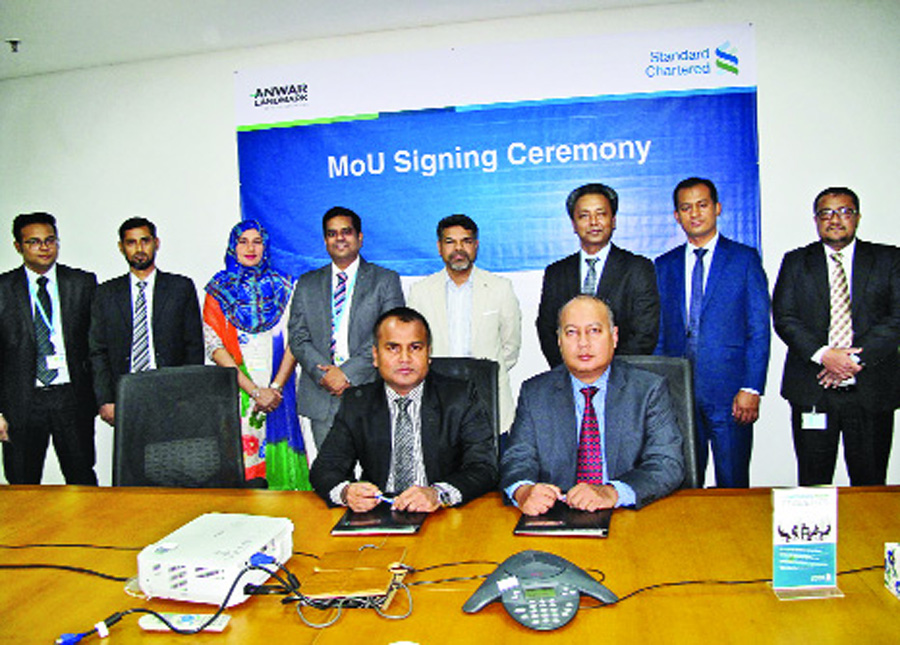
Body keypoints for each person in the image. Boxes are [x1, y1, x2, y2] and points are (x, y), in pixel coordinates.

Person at [502, 295, 683, 515]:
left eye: (594, 331)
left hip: (627, 514)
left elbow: (667, 463)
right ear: (559, 340)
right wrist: (523, 491)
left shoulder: (648, 389)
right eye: (571, 332)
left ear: (614, 336)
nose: (583, 343)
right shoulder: (535, 393)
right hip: (558, 514)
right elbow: (517, 459)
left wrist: (611, 492)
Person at [310, 306, 498, 513]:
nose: (405, 358)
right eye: (393, 348)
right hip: (379, 512)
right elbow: (325, 468)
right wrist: (346, 492)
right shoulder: (357, 403)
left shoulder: (460, 397)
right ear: (375, 355)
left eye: (415, 347)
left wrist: (438, 494)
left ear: (428, 353)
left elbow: (484, 467)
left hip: (443, 513)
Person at [772, 187, 900, 486]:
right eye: (826, 213)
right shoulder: (796, 262)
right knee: (813, 485)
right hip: (813, 390)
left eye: (844, 211)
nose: (835, 219)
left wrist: (851, 361)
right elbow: (785, 317)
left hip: (871, 390)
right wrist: (825, 356)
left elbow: (897, 318)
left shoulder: (889, 259)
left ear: (857, 217)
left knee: (870, 485)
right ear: (816, 220)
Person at [654, 177, 770, 488]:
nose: (695, 214)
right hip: (678, 394)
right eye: (686, 208)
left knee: (733, 483)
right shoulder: (664, 266)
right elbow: (660, 333)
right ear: (676, 215)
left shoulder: (744, 260)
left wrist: (752, 387)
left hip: (730, 394)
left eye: (702, 205)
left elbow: (758, 330)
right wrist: (660, 388)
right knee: (682, 484)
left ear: (717, 208)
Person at [204, 221, 310, 489]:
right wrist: (253, 391)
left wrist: (275, 388)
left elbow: (295, 340)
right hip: (238, 392)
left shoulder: (285, 286)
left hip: (280, 393)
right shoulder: (218, 290)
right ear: (233, 247)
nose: (250, 248)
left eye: (257, 242)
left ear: (266, 246)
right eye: (243, 242)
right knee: (244, 474)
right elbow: (214, 347)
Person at [288, 206, 404, 449]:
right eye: (332, 234)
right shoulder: (307, 283)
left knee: (375, 471)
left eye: (346, 232)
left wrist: (346, 373)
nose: (339, 238)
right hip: (322, 395)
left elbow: (389, 335)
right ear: (325, 241)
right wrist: (325, 375)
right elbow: (298, 336)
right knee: (331, 471)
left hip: (369, 390)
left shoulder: (385, 280)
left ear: (360, 238)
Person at [0, 212, 98, 484]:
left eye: (50, 240)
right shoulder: (3, 289)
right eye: (34, 242)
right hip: (22, 402)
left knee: (82, 480)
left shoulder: (81, 283)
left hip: (72, 398)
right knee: (22, 483)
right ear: (18, 246)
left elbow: (97, 345)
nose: (44, 247)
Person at [407, 214, 522, 437]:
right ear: (439, 247)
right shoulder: (420, 292)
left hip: (488, 398)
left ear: (476, 245)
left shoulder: (500, 288)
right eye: (450, 242)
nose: (458, 248)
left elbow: (510, 346)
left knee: (491, 458)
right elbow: (414, 346)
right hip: (438, 399)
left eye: (466, 241)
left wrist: (482, 375)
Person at [89, 217, 204, 426]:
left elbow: (194, 346)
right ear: (121, 247)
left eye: (145, 241)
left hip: (172, 393)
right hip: (125, 393)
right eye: (131, 243)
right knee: (131, 448)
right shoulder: (106, 293)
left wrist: (189, 393)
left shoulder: (180, 288)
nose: (139, 249)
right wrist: (106, 399)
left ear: (156, 243)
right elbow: (98, 350)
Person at [536, 182, 659, 368]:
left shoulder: (637, 268)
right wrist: (571, 370)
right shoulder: (556, 273)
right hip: (570, 376)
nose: (593, 222)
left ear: (613, 220)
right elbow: (547, 329)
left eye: (601, 214)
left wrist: (610, 375)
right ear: (574, 224)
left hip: (623, 375)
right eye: (584, 215)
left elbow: (644, 332)